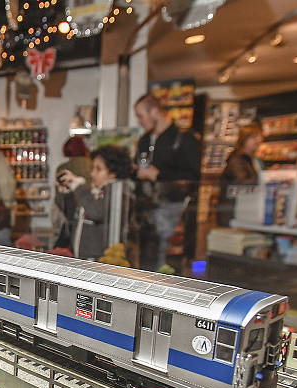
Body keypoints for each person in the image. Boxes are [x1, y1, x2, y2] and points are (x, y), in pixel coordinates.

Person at [133, 93, 201, 270]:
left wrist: (158, 175)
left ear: (154, 111)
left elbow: (193, 177)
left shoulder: (185, 139)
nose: (139, 121)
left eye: (141, 116)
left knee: (167, 264)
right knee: (145, 263)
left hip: (173, 212)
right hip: (146, 212)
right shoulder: (144, 140)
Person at [55, 145, 133, 260]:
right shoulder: (95, 192)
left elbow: (96, 213)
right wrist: (67, 194)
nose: (92, 174)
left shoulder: (115, 193)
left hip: (101, 261)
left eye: (98, 169)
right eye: (93, 168)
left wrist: (78, 186)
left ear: (113, 173)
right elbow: (73, 218)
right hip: (82, 257)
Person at [217, 124, 263, 226]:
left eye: (259, 137)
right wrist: (264, 179)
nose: (258, 140)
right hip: (233, 212)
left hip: (242, 210)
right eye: (253, 137)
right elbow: (241, 183)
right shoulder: (237, 160)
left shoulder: (251, 160)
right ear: (244, 140)